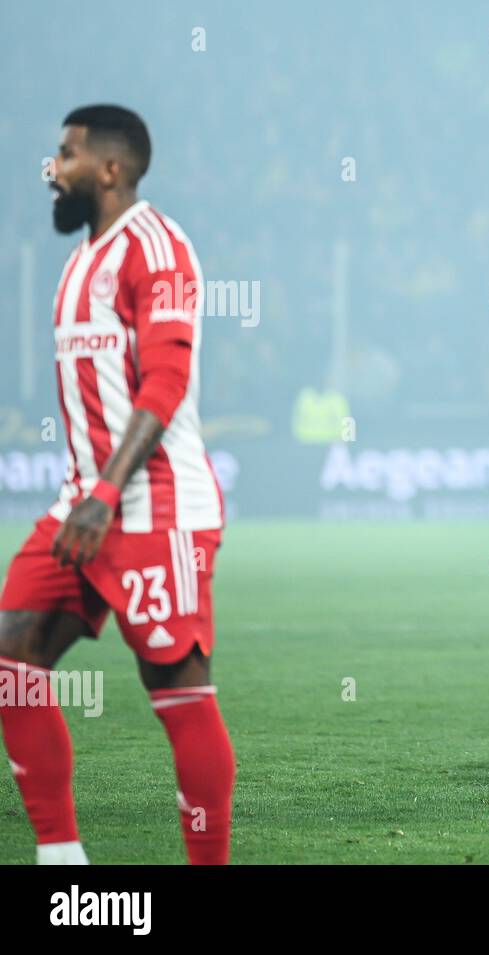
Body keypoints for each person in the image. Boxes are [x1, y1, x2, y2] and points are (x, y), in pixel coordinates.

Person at [0, 106, 232, 864]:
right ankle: (61, 861)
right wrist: (89, 493)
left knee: (177, 687)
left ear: (108, 168)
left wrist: (108, 492)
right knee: (12, 658)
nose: (51, 168)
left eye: (64, 154)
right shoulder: (77, 264)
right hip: (84, 500)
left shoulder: (156, 248)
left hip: (155, 503)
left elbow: (164, 382)